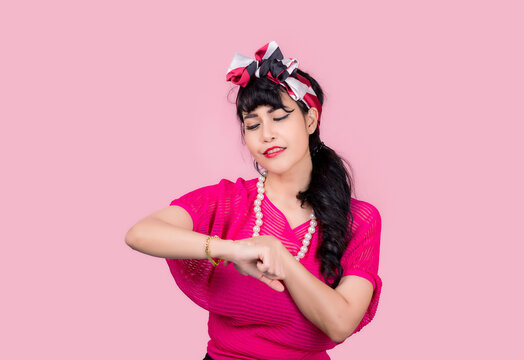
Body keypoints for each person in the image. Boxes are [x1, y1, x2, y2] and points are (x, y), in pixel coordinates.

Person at [125, 40, 382, 360]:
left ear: (311, 120)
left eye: (279, 117)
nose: (266, 134)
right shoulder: (228, 200)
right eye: (253, 124)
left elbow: (340, 322)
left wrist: (281, 258)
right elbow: (140, 233)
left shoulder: (359, 219)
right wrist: (231, 249)